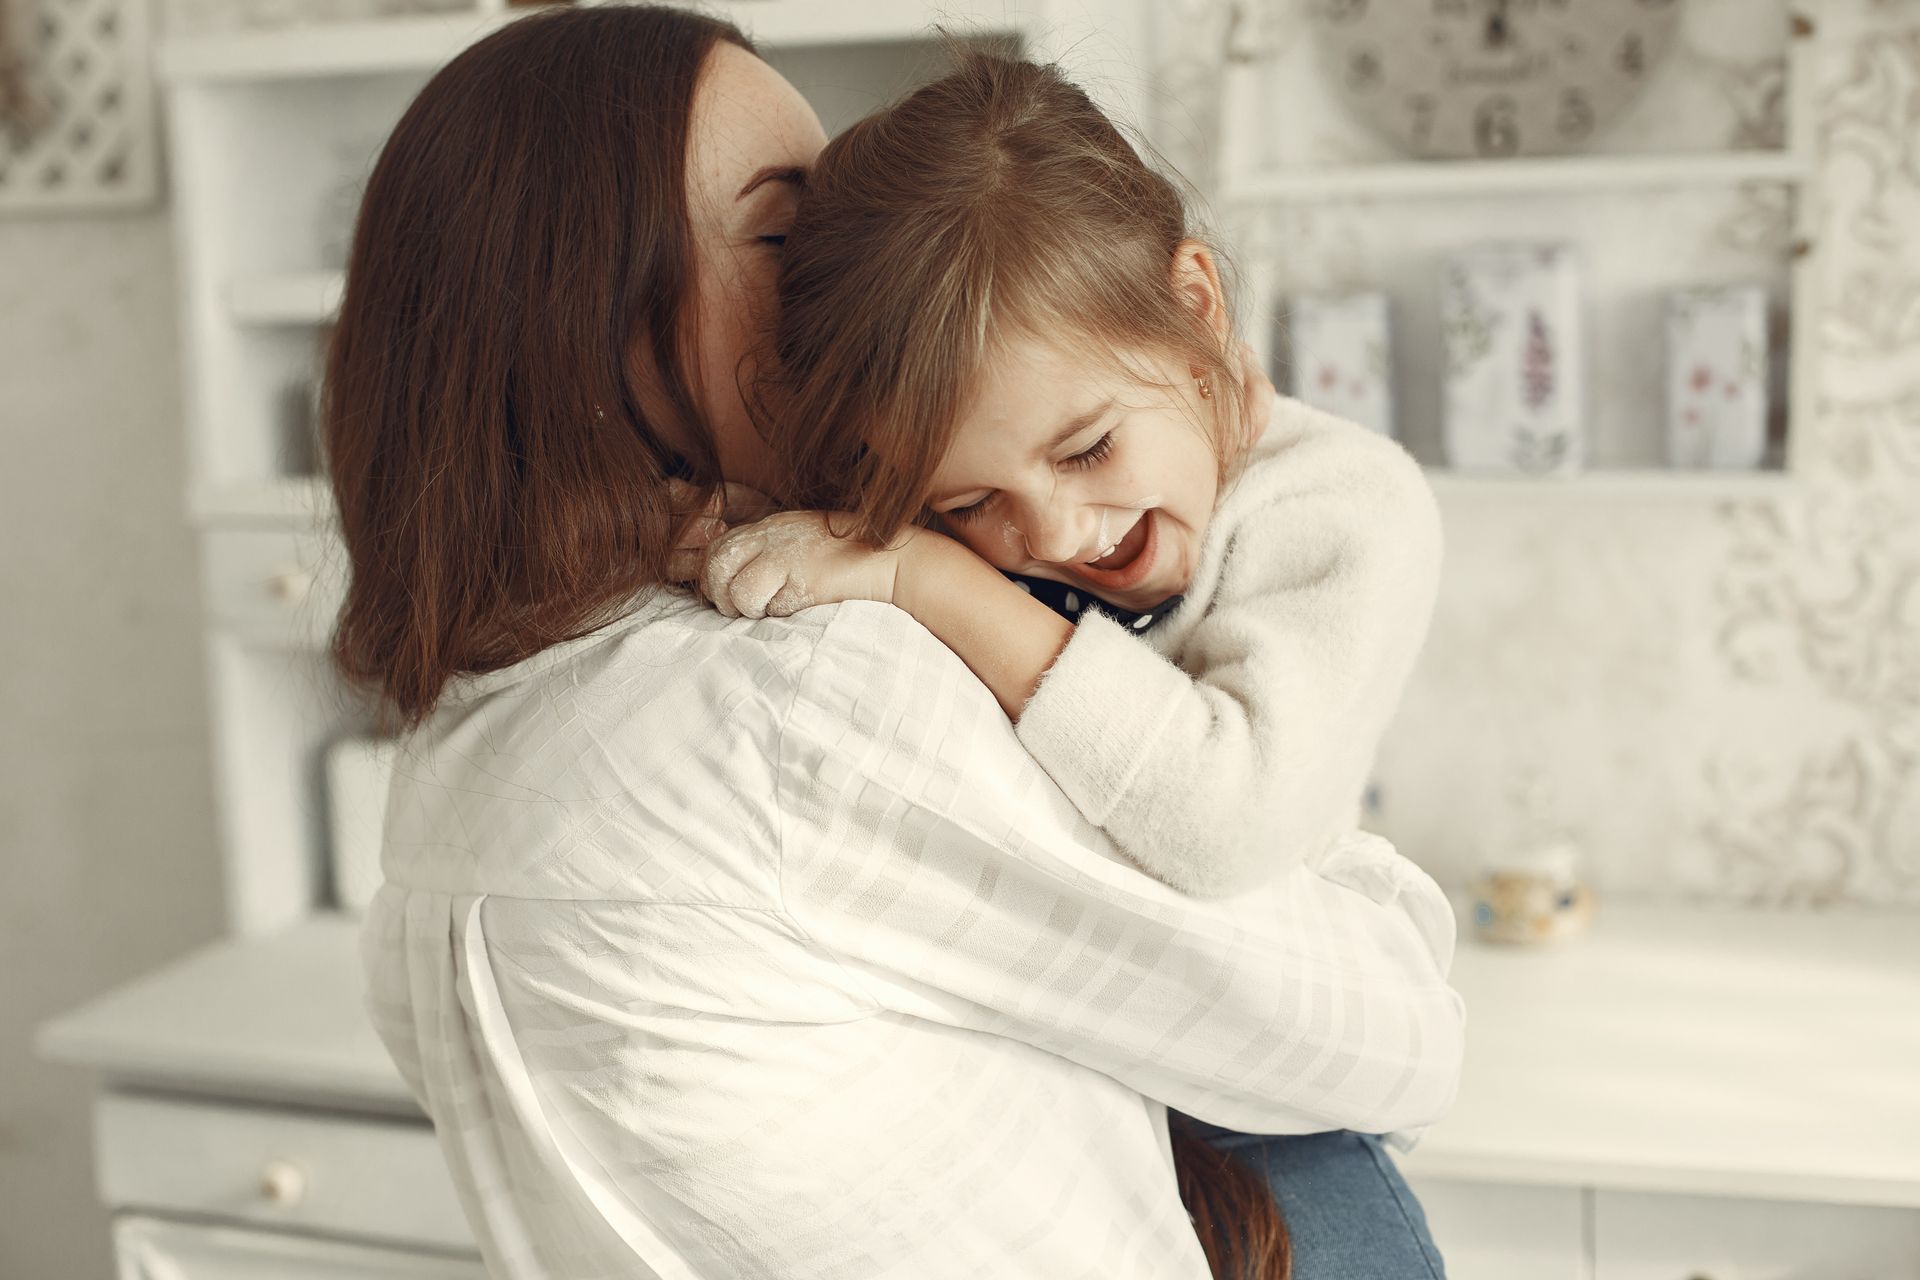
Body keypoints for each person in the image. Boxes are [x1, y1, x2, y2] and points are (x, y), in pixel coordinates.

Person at [328, 8, 1464, 1278]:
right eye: (787, 234)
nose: (860, 282)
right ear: (586, 316)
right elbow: (1386, 1028)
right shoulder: (804, 683)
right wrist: (1374, 891)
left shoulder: (451, 762)